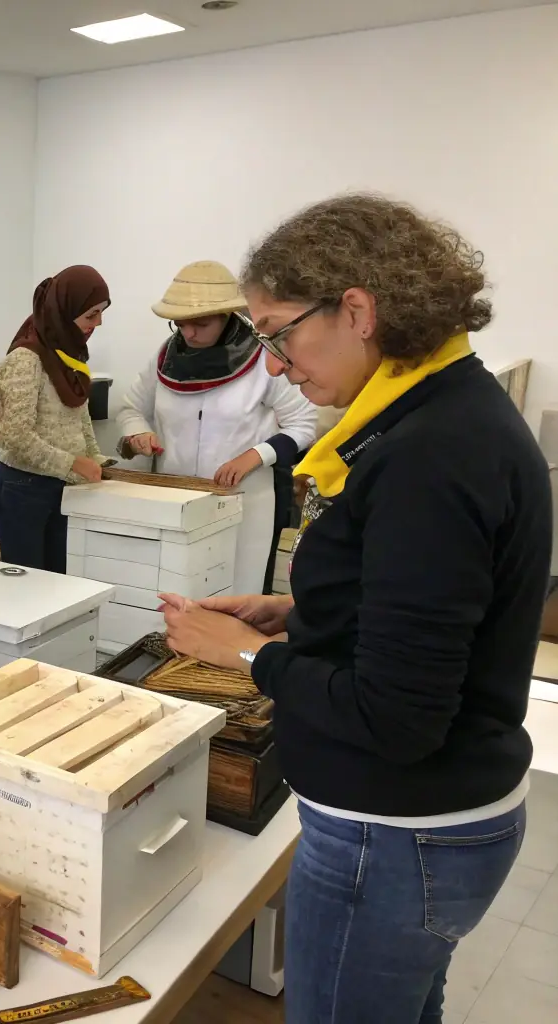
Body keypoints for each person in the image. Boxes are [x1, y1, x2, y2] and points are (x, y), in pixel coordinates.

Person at [161, 195, 549, 1023]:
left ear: (358, 311)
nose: (272, 364)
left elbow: (397, 719)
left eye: (276, 334)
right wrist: (297, 615)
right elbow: (435, 611)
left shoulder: (428, 455)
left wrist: (242, 654)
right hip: (433, 825)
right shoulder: (444, 411)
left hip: (397, 834)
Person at [117, 261, 317, 595]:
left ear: (226, 316)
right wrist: (137, 432)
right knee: (179, 595)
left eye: (200, 324)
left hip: (245, 502)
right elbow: (131, 407)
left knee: (237, 593)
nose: (189, 333)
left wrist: (254, 456)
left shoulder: (262, 358)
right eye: (181, 324)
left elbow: (305, 424)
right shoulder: (165, 357)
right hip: (175, 501)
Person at [0, 266, 112, 573]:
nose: (98, 323)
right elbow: (15, 438)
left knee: (57, 585)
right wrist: (73, 463)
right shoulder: (26, 359)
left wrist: (94, 456)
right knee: (28, 587)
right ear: (64, 310)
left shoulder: (68, 353)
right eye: (91, 315)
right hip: (23, 488)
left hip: (61, 486)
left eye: (100, 313)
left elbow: (79, 411)